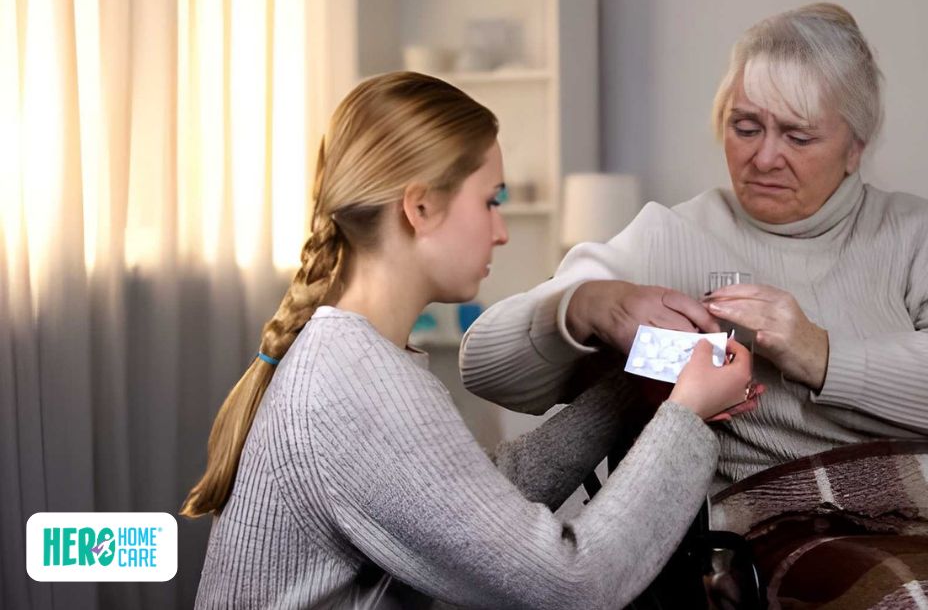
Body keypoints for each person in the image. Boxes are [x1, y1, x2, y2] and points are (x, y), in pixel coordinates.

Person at [180, 72, 754, 609]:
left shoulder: (352, 356)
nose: (501, 230)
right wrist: (686, 415)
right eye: (491, 201)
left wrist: (635, 389)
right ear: (420, 206)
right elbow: (575, 584)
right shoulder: (356, 384)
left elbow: (479, 500)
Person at [460, 3, 928, 490]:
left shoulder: (923, 234)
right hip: (783, 528)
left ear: (856, 147)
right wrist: (586, 305)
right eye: (745, 127)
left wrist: (818, 352)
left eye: (798, 136)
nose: (763, 158)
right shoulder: (667, 237)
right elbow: (484, 365)